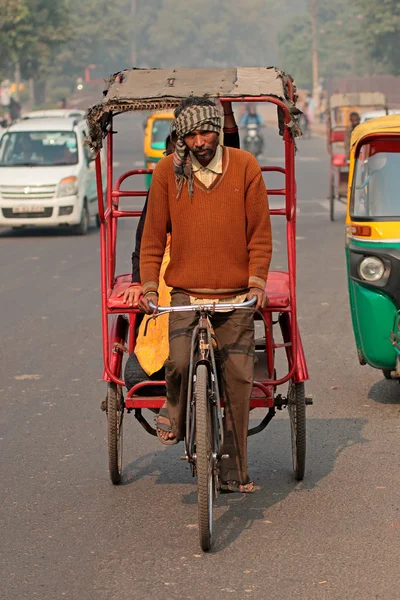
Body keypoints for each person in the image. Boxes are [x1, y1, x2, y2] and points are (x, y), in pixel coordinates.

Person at [139, 97, 272, 493]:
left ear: (218, 129)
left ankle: (234, 473)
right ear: (182, 137)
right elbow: (151, 239)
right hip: (185, 292)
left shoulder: (246, 166)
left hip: (234, 296)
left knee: (238, 381)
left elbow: (260, 234)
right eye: (191, 134)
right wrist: (148, 285)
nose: (200, 141)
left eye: (206, 131)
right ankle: (176, 411)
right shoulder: (167, 172)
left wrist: (257, 282)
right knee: (178, 362)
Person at [121, 101, 241, 393]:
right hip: (171, 259)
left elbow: (232, 149)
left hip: (218, 252)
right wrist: (140, 281)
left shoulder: (221, 173)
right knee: (160, 294)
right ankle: (158, 363)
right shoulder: (165, 180)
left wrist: (225, 109)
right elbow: (147, 238)